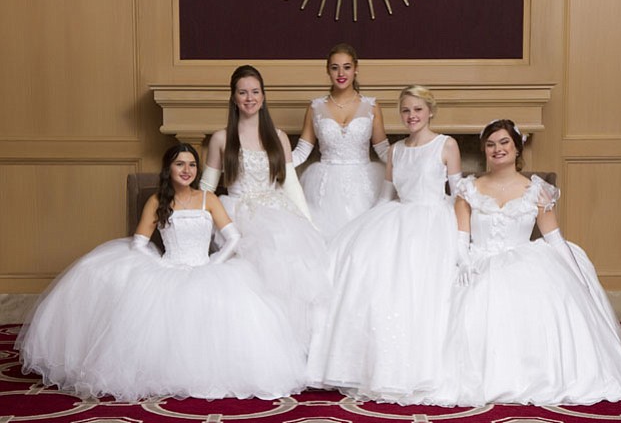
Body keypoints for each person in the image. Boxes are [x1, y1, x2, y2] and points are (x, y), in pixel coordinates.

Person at [16, 143, 307, 402]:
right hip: (168, 268)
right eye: (180, 163)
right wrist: (161, 267)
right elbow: (140, 243)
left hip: (205, 268)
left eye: (192, 164)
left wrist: (214, 265)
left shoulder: (209, 199)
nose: (187, 169)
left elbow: (232, 238)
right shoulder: (158, 201)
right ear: (169, 168)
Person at [430, 119, 621, 406]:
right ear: (484, 150)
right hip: (477, 260)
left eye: (504, 142)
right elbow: (462, 237)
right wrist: (461, 262)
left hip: (525, 263)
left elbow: (554, 238)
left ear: (516, 147)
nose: (497, 149)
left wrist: (579, 280)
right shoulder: (468, 189)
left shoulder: (537, 191)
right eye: (491, 144)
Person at [308, 85, 463, 403]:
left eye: (418, 109)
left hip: (434, 221)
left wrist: (464, 240)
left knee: (415, 285)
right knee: (360, 265)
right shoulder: (396, 150)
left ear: (430, 111)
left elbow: (460, 195)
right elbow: (386, 196)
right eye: (406, 110)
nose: (412, 116)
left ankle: (417, 367)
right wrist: (358, 232)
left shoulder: (446, 145)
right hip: (398, 216)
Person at [199, 65, 330, 346]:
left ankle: (289, 341)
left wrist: (308, 222)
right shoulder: (221, 138)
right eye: (243, 92)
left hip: (276, 208)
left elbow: (291, 183)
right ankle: (255, 341)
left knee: (290, 257)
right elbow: (207, 188)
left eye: (255, 92)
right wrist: (191, 219)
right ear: (233, 97)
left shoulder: (278, 137)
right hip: (238, 210)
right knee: (254, 260)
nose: (249, 98)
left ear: (263, 96)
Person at [292, 43, 390, 239]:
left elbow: (383, 150)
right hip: (325, 185)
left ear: (356, 68)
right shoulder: (315, 107)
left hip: (364, 183)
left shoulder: (371, 105)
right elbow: (302, 151)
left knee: (363, 238)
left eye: (346, 67)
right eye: (334, 67)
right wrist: (270, 164)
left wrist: (412, 158)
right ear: (327, 71)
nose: (341, 73)